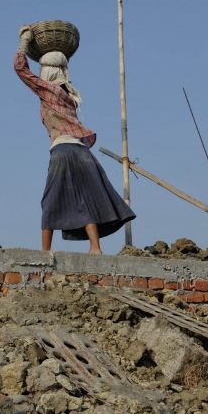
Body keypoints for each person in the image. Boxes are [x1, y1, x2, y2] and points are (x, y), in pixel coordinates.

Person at [15, 26, 135, 253]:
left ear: (47, 73)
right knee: (85, 198)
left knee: (50, 200)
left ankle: (45, 252)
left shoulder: (48, 89)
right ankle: (95, 248)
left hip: (63, 151)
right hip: (83, 153)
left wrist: (25, 40)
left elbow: (20, 68)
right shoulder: (69, 94)